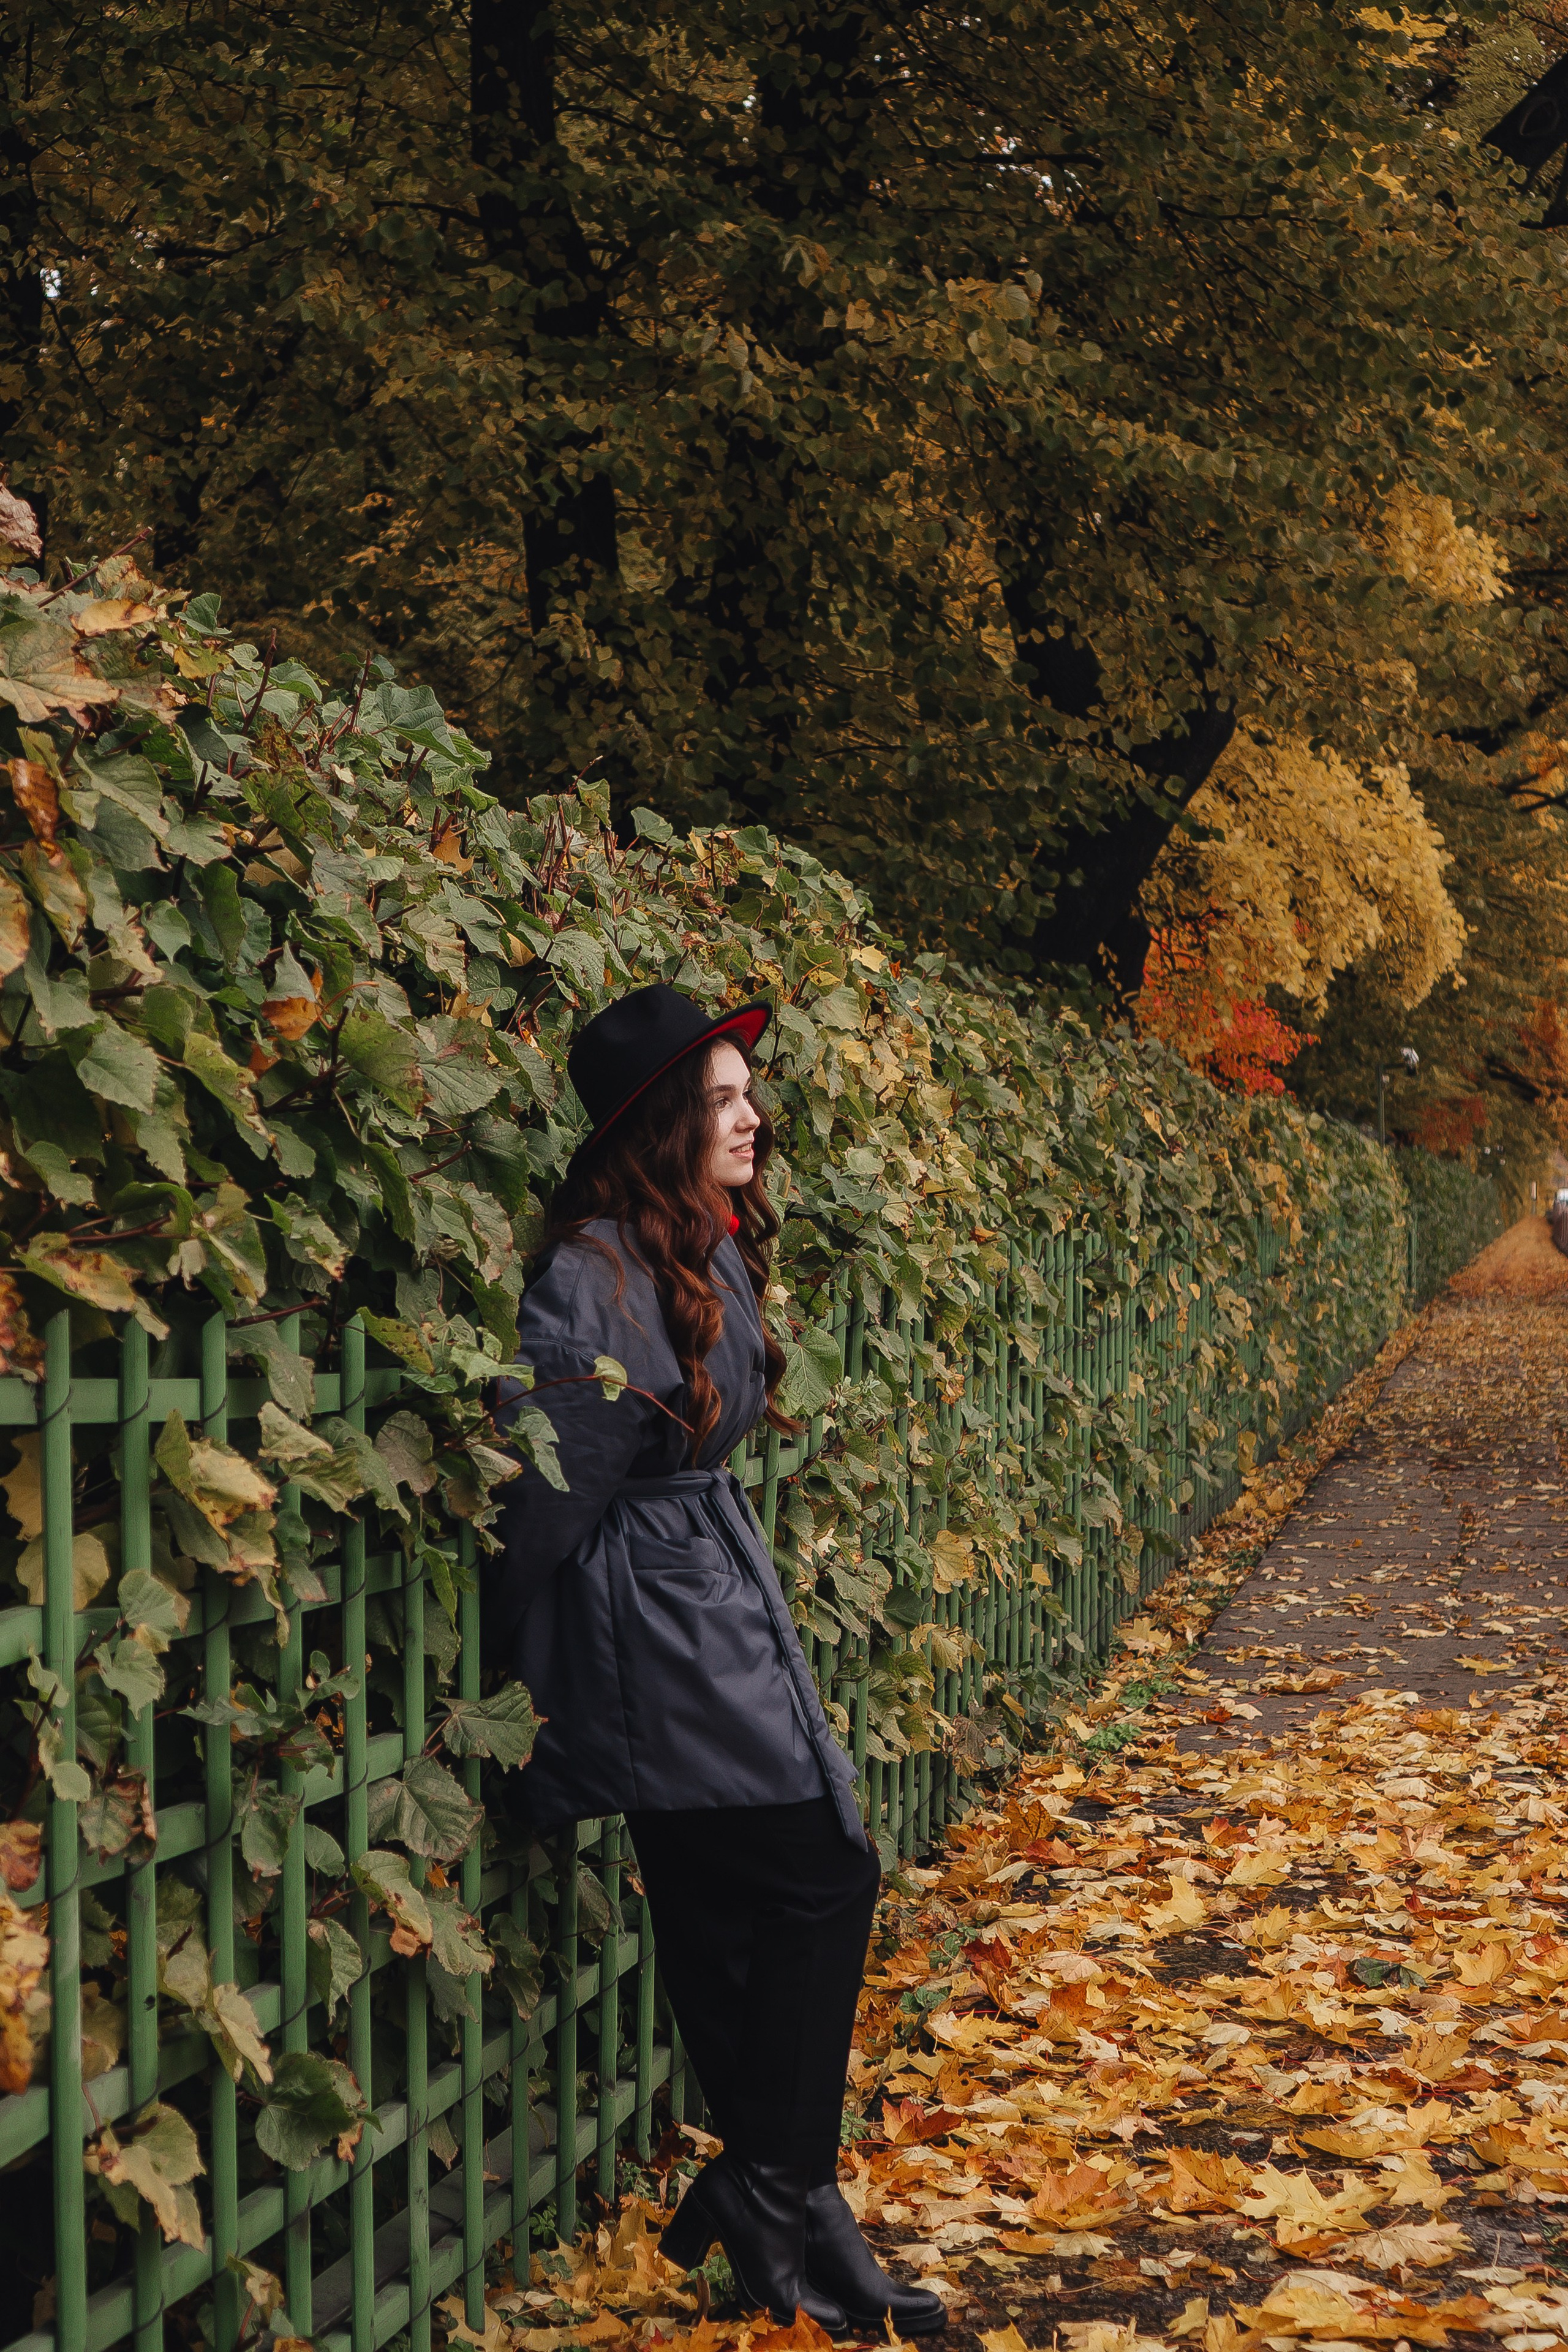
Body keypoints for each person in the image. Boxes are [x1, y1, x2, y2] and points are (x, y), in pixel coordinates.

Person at [490, 984, 944, 2337]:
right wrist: (517, 1683)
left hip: (693, 1593)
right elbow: (547, 1500)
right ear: (660, 1126)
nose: (752, 1118)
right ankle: (776, 2189)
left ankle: (787, 2210)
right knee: (825, 1873)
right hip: (653, 1627)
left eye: (750, 1094)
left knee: (718, 1925)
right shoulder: (593, 1272)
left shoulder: (695, 1246)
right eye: (723, 1100)